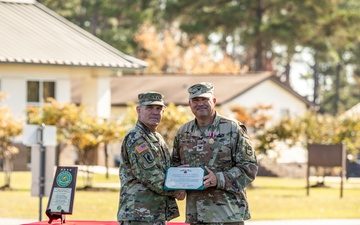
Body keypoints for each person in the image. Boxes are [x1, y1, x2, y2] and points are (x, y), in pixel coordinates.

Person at [171, 82, 258, 225]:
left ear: (214, 101)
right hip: (195, 216)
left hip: (227, 214)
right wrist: (178, 183)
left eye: (205, 99)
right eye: (196, 100)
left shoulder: (232, 129)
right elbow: (175, 164)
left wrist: (219, 179)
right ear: (190, 104)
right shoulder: (183, 132)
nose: (200, 104)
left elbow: (249, 167)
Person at [117, 91, 185, 225]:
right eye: (149, 108)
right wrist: (177, 189)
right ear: (138, 110)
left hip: (152, 214)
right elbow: (150, 176)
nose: (155, 112)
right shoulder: (136, 137)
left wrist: (181, 173)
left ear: (163, 112)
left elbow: (164, 170)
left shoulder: (156, 137)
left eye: (158, 108)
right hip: (138, 215)